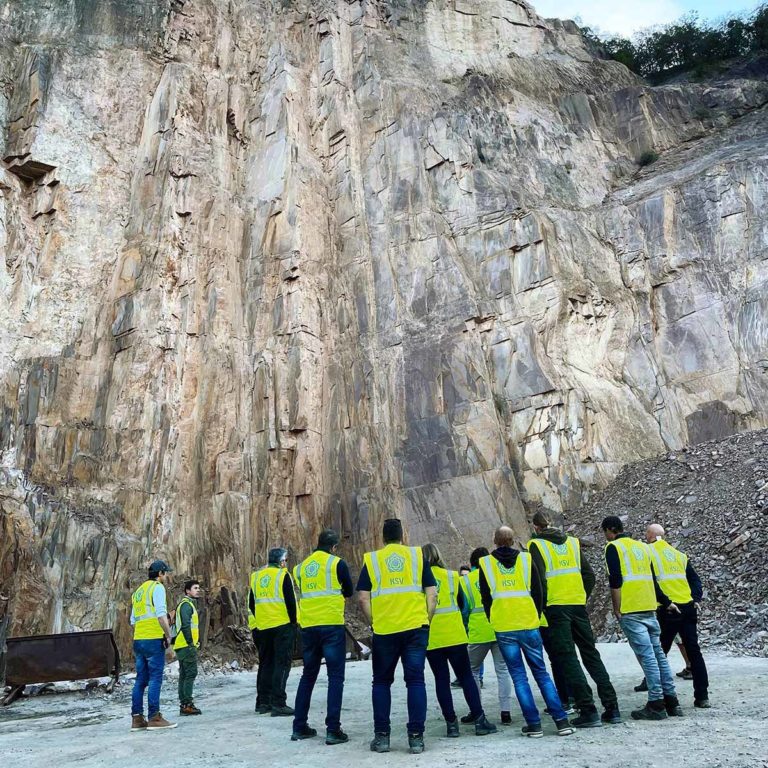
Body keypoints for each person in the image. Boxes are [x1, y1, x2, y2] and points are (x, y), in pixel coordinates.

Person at [478, 527, 575, 738]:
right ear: (513, 540)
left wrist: (493, 618)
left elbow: (486, 597)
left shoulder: (486, 563)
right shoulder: (526, 559)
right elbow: (539, 591)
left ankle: (534, 725)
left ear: (495, 540)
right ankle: (561, 721)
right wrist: (535, 614)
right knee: (541, 672)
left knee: (519, 677)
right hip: (529, 623)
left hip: (504, 626)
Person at [529, 511, 621, 727]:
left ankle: (587, 709)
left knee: (568, 657)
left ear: (536, 527)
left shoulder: (536, 545)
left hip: (555, 608)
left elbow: (539, 582)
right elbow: (589, 575)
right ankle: (612, 707)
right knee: (591, 654)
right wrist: (580, 596)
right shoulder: (572, 542)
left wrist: (540, 608)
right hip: (577, 606)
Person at [357, 518, 437, 754]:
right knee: (415, 681)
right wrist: (426, 619)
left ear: (383, 537)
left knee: (381, 682)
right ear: (403, 536)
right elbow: (432, 594)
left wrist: (374, 621)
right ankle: (416, 738)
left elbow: (363, 598)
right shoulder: (417, 556)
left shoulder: (373, 560)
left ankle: (382, 738)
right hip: (415, 628)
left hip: (385, 630)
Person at [601, 516, 683, 720]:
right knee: (658, 655)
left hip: (631, 609)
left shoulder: (613, 548)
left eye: (605, 532)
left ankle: (656, 703)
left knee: (648, 657)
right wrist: (665, 601)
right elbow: (653, 580)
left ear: (610, 530)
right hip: (649, 607)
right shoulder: (643, 548)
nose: (605, 536)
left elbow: (615, 580)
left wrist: (617, 608)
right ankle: (672, 701)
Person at [421, 543, 497, 738]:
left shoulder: (418, 580)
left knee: (441, 680)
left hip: (432, 637)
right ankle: (479, 720)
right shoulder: (452, 576)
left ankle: (451, 725)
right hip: (455, 634)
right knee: (466, 677)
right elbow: (463, 604)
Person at [291, 529, 354, 745]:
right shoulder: (337, 564)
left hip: (309, 627)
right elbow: (349, 591)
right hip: (332, 626)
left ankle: (299, 726)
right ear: (334, 547)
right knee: (335, 677)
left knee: (308, 676)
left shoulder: (300, 568)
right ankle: (333, 730)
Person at [646, 524, 710, 708]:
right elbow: (695, 579)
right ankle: (702, 696)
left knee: (660, 652)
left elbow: (651, 582)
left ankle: (662, 698)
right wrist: (695, 598)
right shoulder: (679, 555)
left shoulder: (649, 552)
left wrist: (666, 602)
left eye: (646, 534)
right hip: (688, 607)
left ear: (650, 536)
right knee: (694, 651)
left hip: (669, 609)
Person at [459, 547, 513, 726]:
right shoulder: (496, 575)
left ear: (472, 563)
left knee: (472, 671)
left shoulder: (465, 581)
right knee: (502, 670)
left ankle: (477, 710)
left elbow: (464, 609)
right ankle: (506, 711)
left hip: (478, 631)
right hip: (499, 627)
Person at [248, 547, 298, 717]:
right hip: (282, 625)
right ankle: (278, 703)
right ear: (281, 561)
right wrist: (293, 623)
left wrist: (261, 620)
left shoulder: (256, 577)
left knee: (266, 664)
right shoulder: (283, 575)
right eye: (285, 560)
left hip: (263, 627)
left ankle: (263, 703)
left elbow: (251, 603)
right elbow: (291, 602)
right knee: (282, 664)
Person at [130, 559, 177, 730]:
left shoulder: (139, 591)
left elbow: (133, 620)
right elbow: (161, 615)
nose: (166, 576)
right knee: (155, 678)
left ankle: (137, 719)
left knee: (140, 680)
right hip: (153, 639)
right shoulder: (157, 588)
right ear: (160, 574)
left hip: (139, 639)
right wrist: (168, 635)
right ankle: (154, 717)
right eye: (165, 573)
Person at [175, 579, 202, 716]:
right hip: (186, 645)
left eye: (198, 588)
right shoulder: (186, 605)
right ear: (187, 591)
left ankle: (184, 703)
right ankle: (187, 704)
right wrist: (191, 643)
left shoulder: (186, 604)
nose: (198, 590)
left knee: (184, 675)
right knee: (190, 673)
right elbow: (186, 625)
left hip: (182, 644)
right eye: (195, 588)